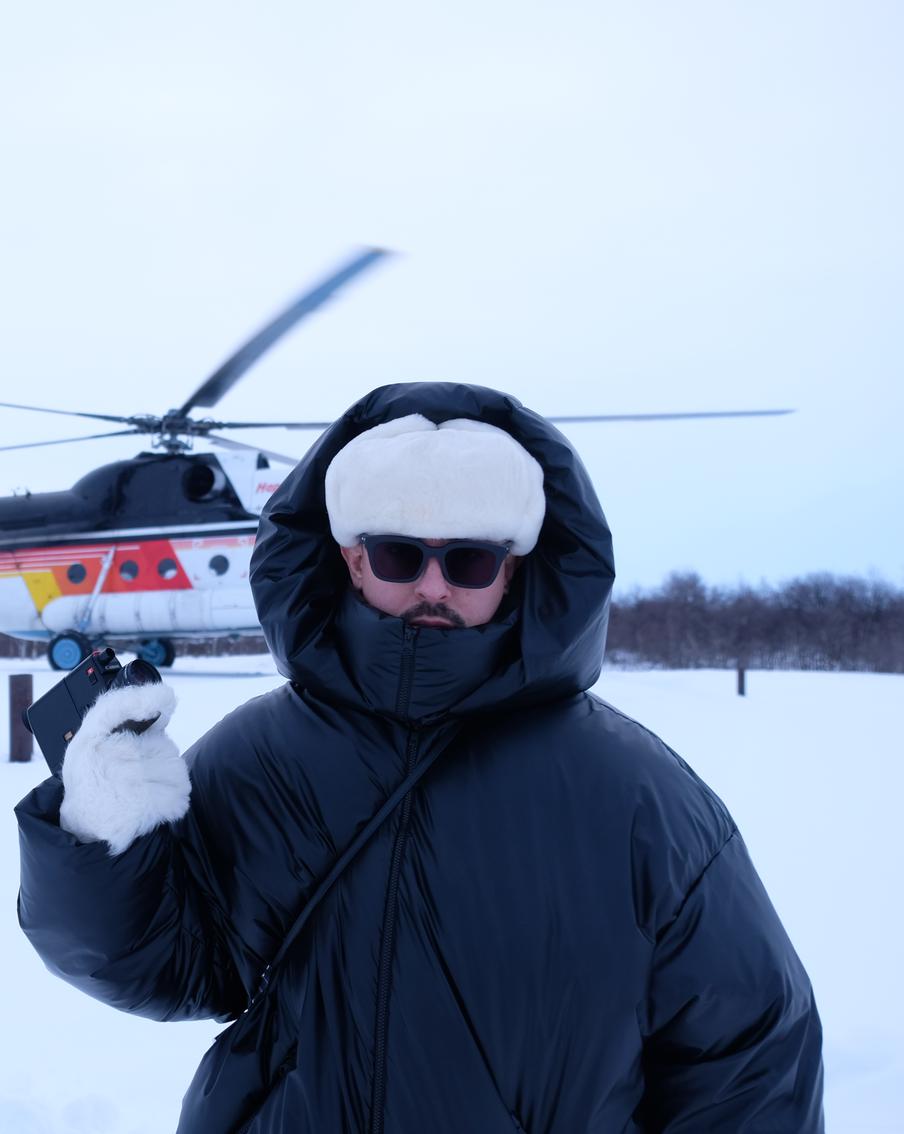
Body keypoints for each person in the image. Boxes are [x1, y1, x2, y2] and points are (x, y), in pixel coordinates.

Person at [16, 382, 825, 1133]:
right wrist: (100, 840)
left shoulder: (644, 800)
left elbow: (753, 1061)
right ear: (352, 559)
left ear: (513, 571)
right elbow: (165, 966)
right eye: (401, 556)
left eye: (470, 560)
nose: (433, 586)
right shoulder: (261, 756)